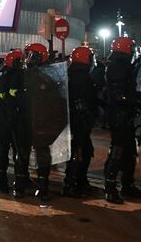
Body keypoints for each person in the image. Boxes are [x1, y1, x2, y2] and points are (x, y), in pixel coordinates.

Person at [103, 37, 141, 204]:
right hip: (119, 115)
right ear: (125, 49)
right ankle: (110, 188)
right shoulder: (117, 66)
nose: (132, 51)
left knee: (129, 152)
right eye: (131, 48)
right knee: (118, 151)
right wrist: (137, 100)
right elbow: (119, 95)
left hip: (125, 114)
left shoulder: (123, 66)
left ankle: (127, 184)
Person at [13, 42, 60, 201]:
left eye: (31, 55)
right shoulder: (22, 74)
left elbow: (55, 99)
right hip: (26, 119)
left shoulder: (48, 75)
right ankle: (20, 186)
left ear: (40, 57)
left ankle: (42, 187)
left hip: (39, 119)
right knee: (24, 154)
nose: (28, 58)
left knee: (42, 154)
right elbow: (14, 95)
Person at [62, 46, 98, 197]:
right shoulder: (82, 77)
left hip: (73, 120)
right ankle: (72, 184)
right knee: (79, 152)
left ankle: (80, 181)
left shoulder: (69, 73)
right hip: (79, 120)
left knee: (84, 151)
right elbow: (87, 99)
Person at [0, 49, 23, 192]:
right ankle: (19, 180)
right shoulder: (19, 77)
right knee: (17, 150)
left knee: (3, 148)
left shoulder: (0, 78)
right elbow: (17, 99)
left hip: (2, 121)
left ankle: (1, 179)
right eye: (19, 60)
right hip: (13, 120)